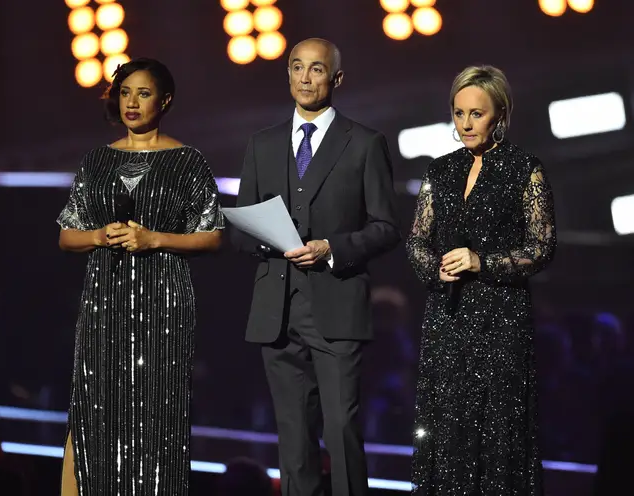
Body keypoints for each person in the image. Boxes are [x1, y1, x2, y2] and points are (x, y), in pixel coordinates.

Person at [232, 38, 401, 495]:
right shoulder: (262, 144)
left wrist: (331, 248)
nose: (306, 78)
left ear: (337, 79)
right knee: (293, 439)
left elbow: (387, 226)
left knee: (342, 430)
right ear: (287, 74)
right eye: (297, 68)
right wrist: (262, 236)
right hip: (277, 311)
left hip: (337, 305)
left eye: (317, 70)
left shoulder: (365, 143)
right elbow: (239, 228)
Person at [57, 58, 224, 495]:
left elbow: (212, 237)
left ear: (165, 100)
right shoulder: (96, 160)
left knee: (158, 415)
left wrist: (155, 240)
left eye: (143, 93)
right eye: (125, 92)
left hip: (164, 303)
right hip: (103, 302)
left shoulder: (187, 161)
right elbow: (66, 237)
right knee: (95, 408)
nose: (131, 102)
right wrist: (96, 234)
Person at [406, 65, 556, 495]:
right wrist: (433, 267)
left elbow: (541, 247)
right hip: (447, 317)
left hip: (501, 321)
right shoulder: (441, 171)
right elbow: (417, 239)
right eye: (458, 113)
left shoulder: (525, 168)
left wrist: (481, 262)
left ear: (500, 115)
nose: (466, 124)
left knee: (499, 429)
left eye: (477, 114)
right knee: (445, 424)